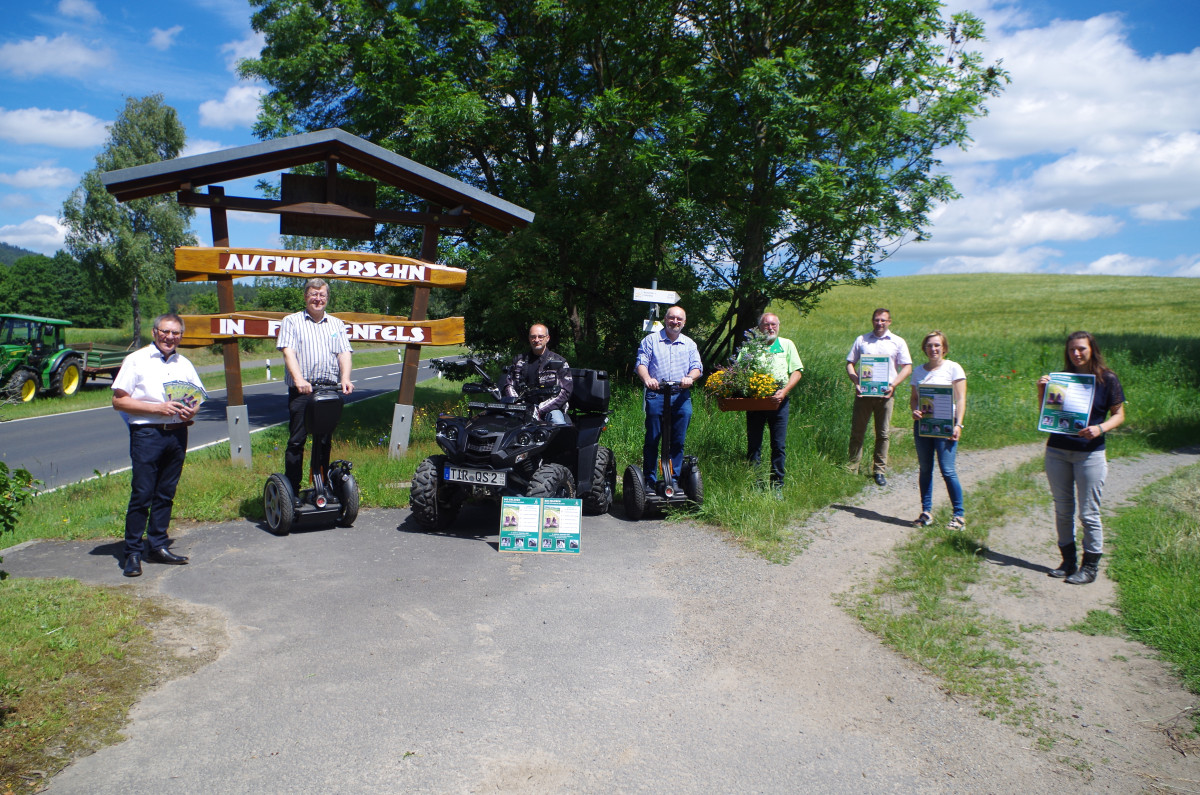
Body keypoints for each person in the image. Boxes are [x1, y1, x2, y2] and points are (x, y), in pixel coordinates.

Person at [111, 313, 201, 577]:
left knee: (166, 493)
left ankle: (158, 545)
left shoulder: (183, 363)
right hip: (147, 433)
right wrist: (157, 408)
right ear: (154, 332)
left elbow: (196, 397)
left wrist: (190, 411)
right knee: (142, 494)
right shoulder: (136, 360)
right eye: (165, 332)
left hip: (177, 433)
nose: (170, 337)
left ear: (181, 336)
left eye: (175, 333)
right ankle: (133, 552)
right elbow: (119, 401)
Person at [1037, 331, 1125, 585]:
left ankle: (1090, 567)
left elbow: (1119, 415)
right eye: (1072, 349)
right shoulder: (1062, 379)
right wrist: (1042, 390)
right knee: (1063, 509)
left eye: (1081, 349)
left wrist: (1101, 428)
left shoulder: (1107, 379)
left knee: (1089, 512)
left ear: (1092, 350)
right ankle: (1068, 562)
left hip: (1090, 454)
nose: (1076, 354)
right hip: (1057, 450)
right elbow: (1047, 415)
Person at [278, 278, 354, 499]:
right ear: (305, 297)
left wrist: (346, 378)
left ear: (327, 298)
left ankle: (322, 489)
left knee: (323, 440)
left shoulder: (336, 324)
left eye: (322, 295)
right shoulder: (292, 321)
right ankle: (292, 489)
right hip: (303, 391)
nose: (318, 298)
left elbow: (344, 353)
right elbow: (288, 352)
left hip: (328, 390)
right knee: (297, 440)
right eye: (313, 294)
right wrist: (299, 379)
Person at [636, 305, 703, 488]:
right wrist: (648, 379)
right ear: (665, 320)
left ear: (684, 322)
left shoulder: (689, 344)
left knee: (678, 441)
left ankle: (672, 480)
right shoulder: (651, 341)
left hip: (680, 396)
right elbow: (641, 364)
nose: (675, 322)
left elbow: (697, 367)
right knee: (653, 439)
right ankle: (649, 481)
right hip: (657, 395)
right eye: (672, 318)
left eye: (679, 319)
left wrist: (690, 378)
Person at [845, 308, 913, 486]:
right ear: (872, 321)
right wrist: (856, 382)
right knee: (857, 431)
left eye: (883, 320)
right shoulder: (862, 340)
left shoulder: (897, 342)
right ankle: (852, 467)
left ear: (889, 322)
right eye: (876, 320)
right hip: (864, 393)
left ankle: (879, 470)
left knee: (883, 433)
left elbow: (907, 367)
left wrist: (893, 385)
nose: (879, 323)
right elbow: (850, 363)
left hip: (886, 394)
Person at [908, 331, 967, 530]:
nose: (933, 349)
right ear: (924, 348)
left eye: (937, 345)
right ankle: (926, 512)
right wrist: (914, 410)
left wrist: (958, 424)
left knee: (948, 470)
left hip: (946, 426)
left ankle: (958, 515)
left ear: (944, 348)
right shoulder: (918, 371)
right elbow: (915, 398)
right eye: (929, 345)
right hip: (923, 426)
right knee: (925, 469)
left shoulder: (953, 368)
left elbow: (960, 399)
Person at [744, 313, 804, 492]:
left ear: (778, 326)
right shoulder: (750, 348)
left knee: (778, 445)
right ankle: (755, 482)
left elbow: (797, 371)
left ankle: (777, 484)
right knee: (754, 445)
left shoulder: (787, 345)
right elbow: (739, 371)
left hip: (779, 402)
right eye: (766, 325)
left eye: (773, 325)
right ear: (759, 328)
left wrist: (784, 391)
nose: (770, 328)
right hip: (755, 403)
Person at [500, 324, 572, 424]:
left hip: (550, 409)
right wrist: (517, 405)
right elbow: (509, 385)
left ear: (547, 338)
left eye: (540, 336)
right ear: (529, 339)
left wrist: (540, 409)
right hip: (521, 408)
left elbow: (565, 391)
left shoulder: (559, 362)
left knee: (558, 423)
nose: (536, 340)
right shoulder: (519, 361)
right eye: (533, 337)